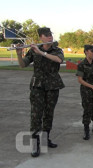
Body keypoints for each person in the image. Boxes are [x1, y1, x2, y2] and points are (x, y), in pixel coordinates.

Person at [16, 27, 64, 157]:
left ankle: (45, 139)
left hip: (52, 86)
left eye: (50, 34)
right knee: (36, 115)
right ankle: (35, 144)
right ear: (41, 37)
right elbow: (22, 65)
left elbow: (59, 60)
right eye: (47, 35)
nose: (50, 37)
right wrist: (19, 54)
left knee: (49, 114)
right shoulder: (33, 50)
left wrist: (41, 53)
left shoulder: (57, 50)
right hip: (37, 86)